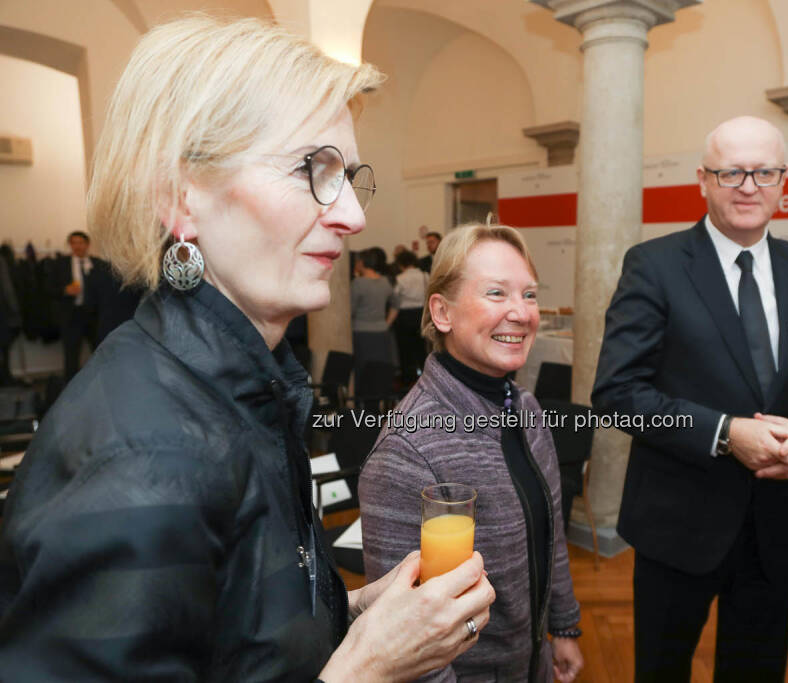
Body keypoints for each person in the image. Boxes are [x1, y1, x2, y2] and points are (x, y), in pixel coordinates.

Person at [0, 16, 494, 682]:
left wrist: (354, 612)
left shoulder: (241, 385)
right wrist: (367, 669)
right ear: (180, 197)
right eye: (312, 168)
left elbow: (226, 631)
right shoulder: (144, 456)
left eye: (349, 175)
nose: (354, 215)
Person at [591, 116, 788, 682]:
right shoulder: (656, 266)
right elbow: (616, 395)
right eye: (731, 171)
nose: (748, 186)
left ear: (782, 180)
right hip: (677, 525)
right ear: (703, 180)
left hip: (775, 524)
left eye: (764, 171)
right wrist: (725, 433)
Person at [360, 224, 585, 682]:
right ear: (441, 312)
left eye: (529, 295)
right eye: (497, 293)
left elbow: (551, 529)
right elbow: (402, 637)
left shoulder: (524, 406)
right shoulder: (409, 449)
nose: (521, 313)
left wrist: (563, 626)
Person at [50, 230, 103, 380]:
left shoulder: (98, 264)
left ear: (87, 245)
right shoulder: (61, 264)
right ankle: (70, 390)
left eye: (80, 243)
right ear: (70, 245)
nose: (77, 246)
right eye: (73, 243)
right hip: (71, 315)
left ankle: (100, 383)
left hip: (94, 315)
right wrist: (65, 290)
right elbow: (48, 288)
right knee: (71, 355)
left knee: (100, 350)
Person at [351, 246, 395, 390]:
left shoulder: (358, 283)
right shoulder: (385, 281)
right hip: (381, 332)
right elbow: (396, 305)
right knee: (379, 371)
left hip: (361, 332)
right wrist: (387, 323)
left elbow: (350, 310)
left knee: (363, 372)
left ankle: (363, 408)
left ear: (362, 263)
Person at [388, 249, 429, 386]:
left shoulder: (400, 278)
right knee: (421, 348)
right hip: (420, 314)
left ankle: (407, 379)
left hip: (404, 316)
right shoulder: (425, 276)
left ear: (401, 264)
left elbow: (395, 298)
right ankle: (426, 377)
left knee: (405, 349)